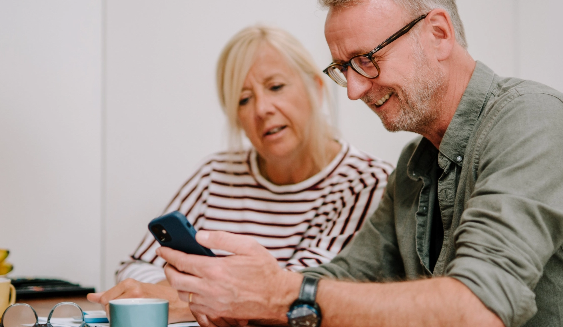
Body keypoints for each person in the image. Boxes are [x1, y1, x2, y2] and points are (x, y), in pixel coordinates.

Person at [157, 0, 563, 326]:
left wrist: (281, 296)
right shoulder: (414, 167)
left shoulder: (536, 121)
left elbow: (477, 308)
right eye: (343, 69)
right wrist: (245, 296)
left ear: (438, 34)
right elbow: (342, 278)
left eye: (366, 60)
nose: (353, 90)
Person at [87, 25, 393, 323]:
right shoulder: (216, 174)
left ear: (316, 86)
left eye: (275, 87)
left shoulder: (365, 183)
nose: (261, 109)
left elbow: (301, 294)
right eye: (243, 99)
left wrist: (184, 298)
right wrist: (201, 299)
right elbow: (136, 266)